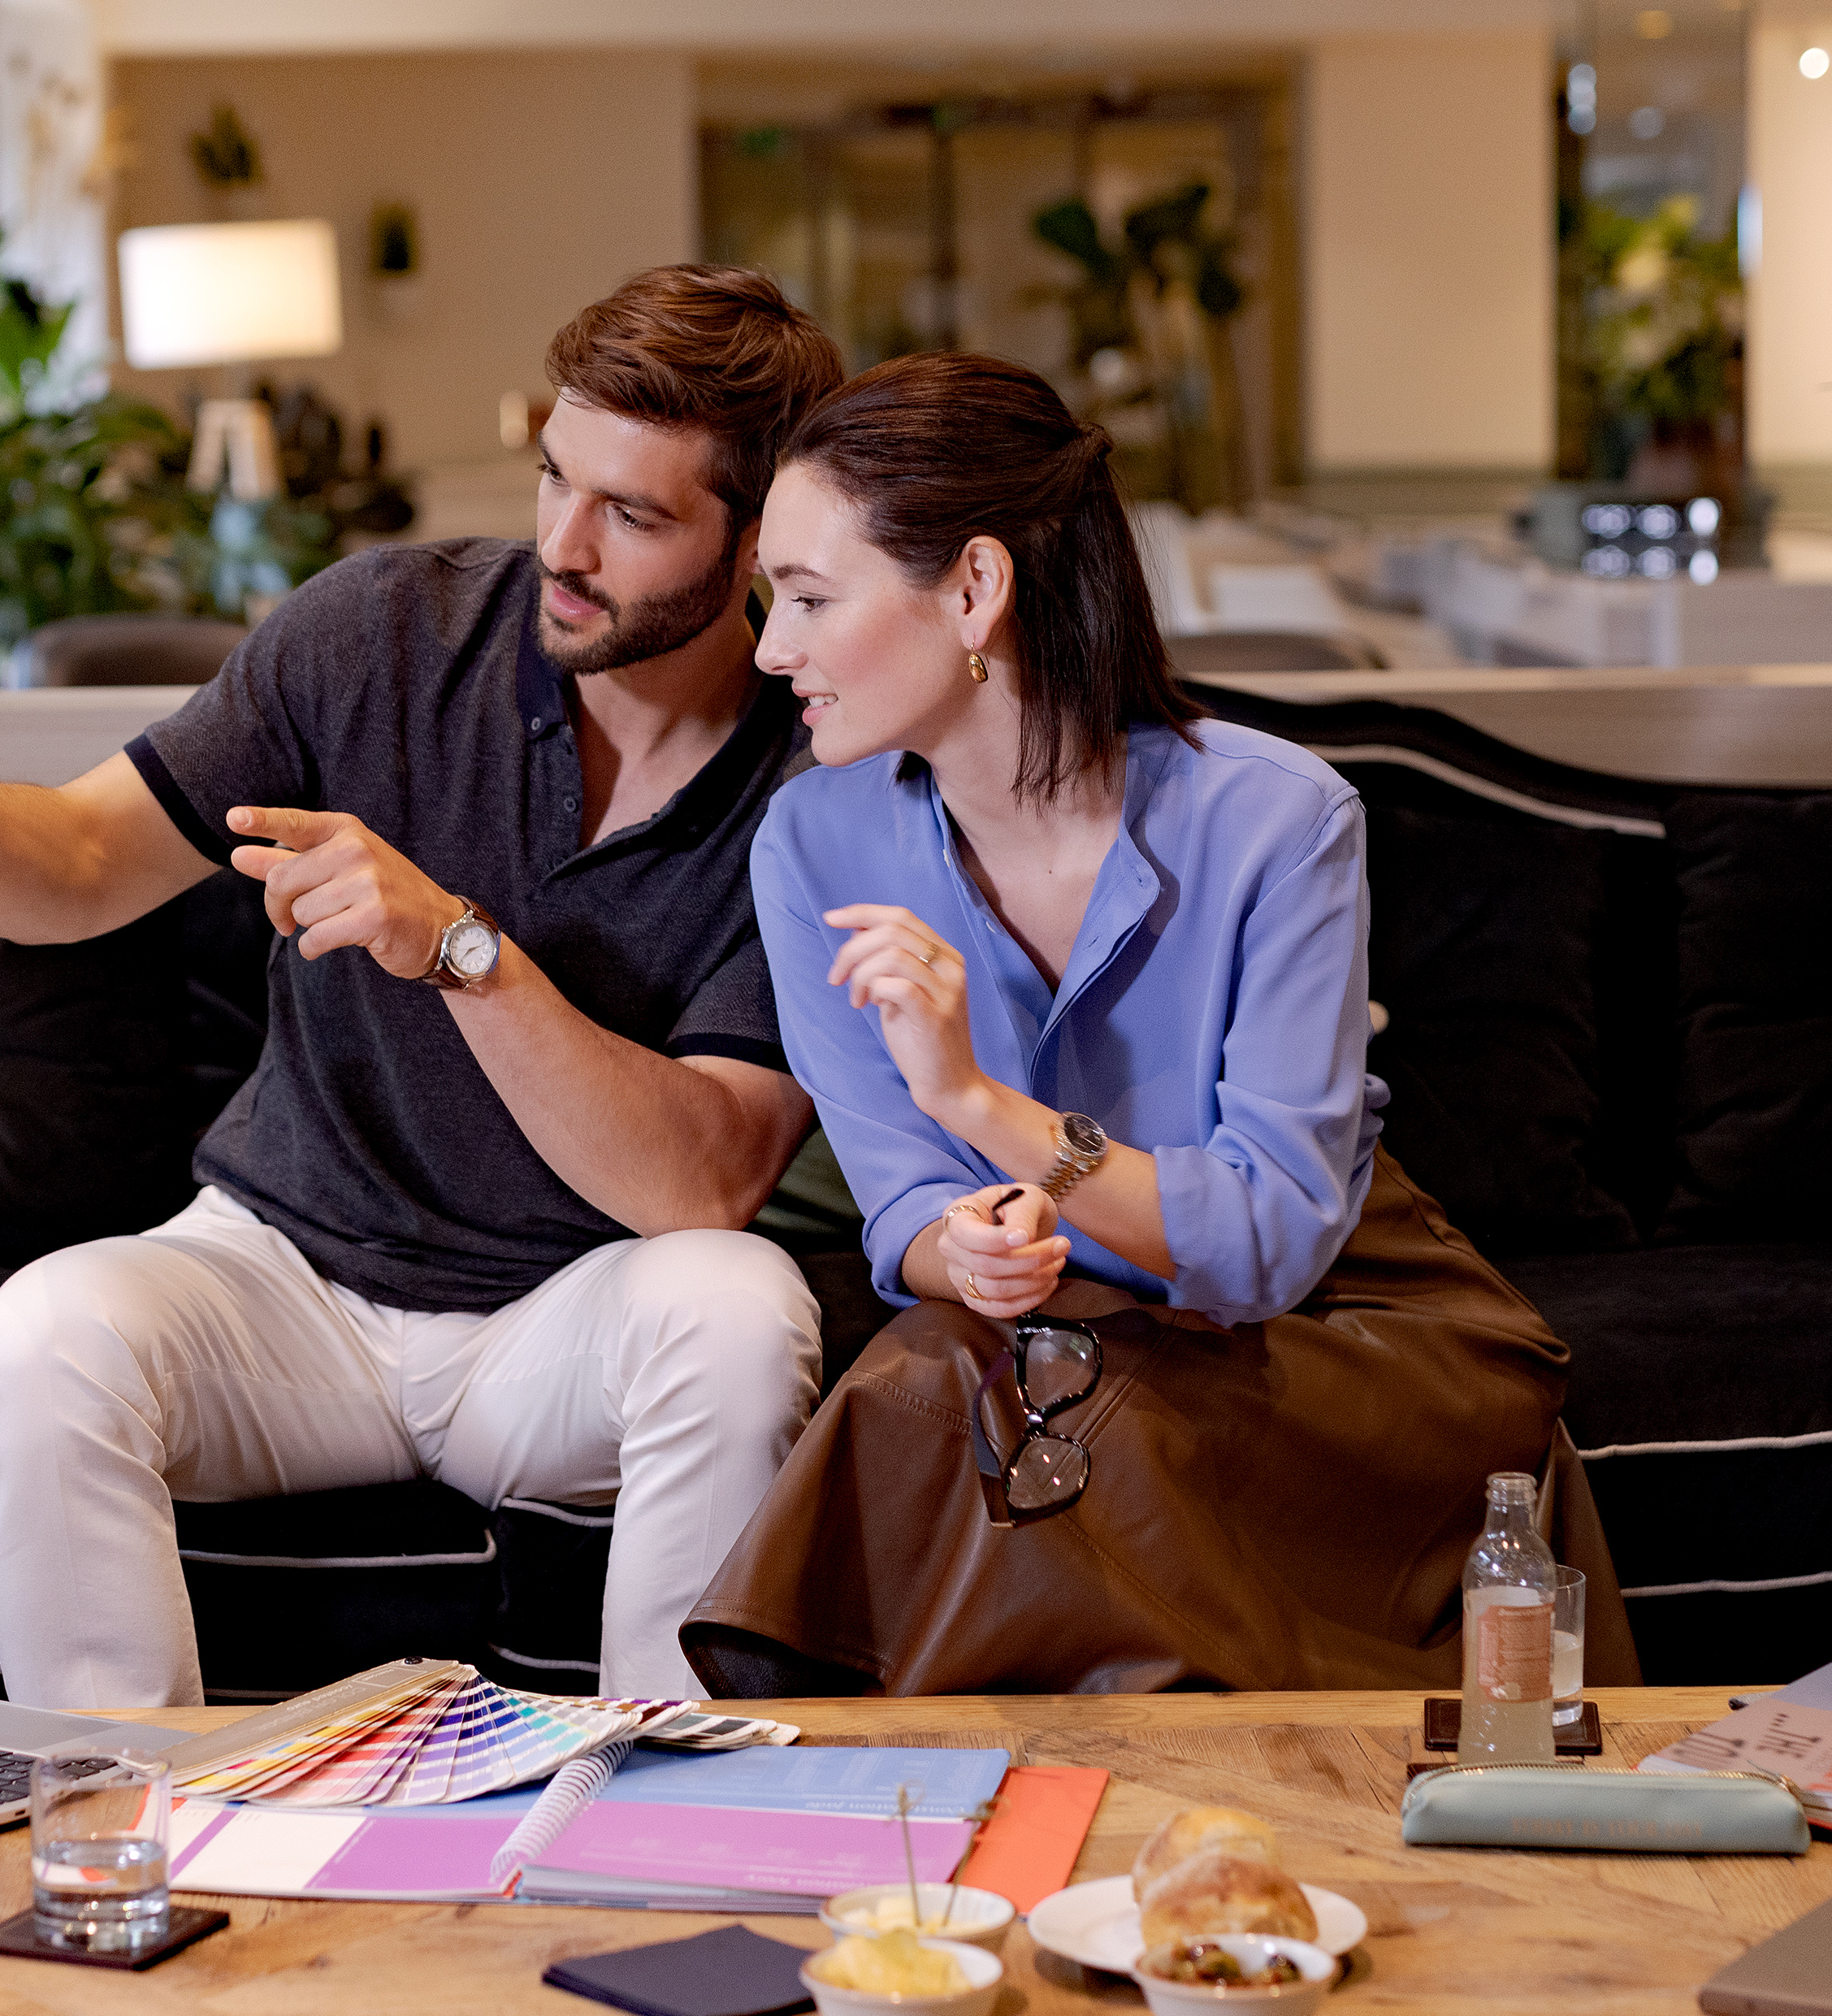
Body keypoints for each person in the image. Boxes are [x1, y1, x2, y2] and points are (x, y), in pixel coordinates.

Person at [0, 267, 845, 1706]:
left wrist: (461, 949)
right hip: (285, 1275)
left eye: (634, 514)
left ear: (759, 541)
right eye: (556, 475)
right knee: (42, 1335)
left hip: (564, 1321)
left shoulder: (821, 785)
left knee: (739, 1306)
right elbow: (80, 865)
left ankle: (658, 1802)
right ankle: (120, 1811)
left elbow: (702, 1181)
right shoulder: (385, 630)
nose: (564, 543)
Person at [683, 350, 1633, 1696]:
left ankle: (988, 1796)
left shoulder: (1280, 821)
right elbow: (902, 1207)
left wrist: (983, 1108)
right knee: (945, 1392)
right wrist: (968, 1251)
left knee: (1043, 1435)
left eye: (811, 597)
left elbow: (1262, 1247)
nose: (772, 647)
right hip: (1051, 1323)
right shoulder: (811, 842)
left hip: (1324, 1325)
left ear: (975, 587)